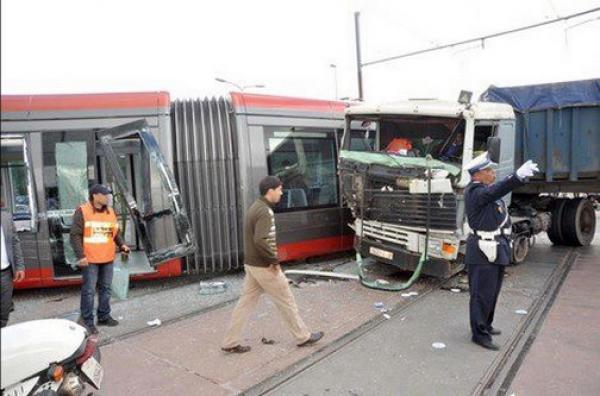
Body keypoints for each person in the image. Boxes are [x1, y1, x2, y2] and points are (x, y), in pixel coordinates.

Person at [222, 176, 323, 353]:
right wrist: (273, 261)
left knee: (245, 303)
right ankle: (302, 336)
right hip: (264, 266)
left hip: (252, 265)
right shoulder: (264, 212)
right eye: (279, 189)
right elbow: (261, 240)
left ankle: (230, 341)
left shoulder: (255, 207)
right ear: (270, 191)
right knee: (286, 299)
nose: (282, 193)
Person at [464, 153, 539, 350]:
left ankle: (486, 325)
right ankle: (479, 334)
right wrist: (516, 177)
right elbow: (498, 190)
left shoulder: (487, 192)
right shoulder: (476, 192)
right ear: (477, 175)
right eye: (488, 170)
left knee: (492, 292)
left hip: (496, 248)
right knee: (481, 294)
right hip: (482, 250)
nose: (492, 173)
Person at [70, 184, 129, 335]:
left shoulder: (110, 212)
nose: (108, 197)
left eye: (108, 194)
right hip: (90, 259)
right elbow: (75, 235)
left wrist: (122, 245)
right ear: (95, 196)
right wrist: (80, 256)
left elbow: (115, 233)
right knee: (89, 291)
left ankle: (103, 316)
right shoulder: (82, 211)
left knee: (106, 288)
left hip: (107, 257)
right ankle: (87, 321)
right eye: (105, 194)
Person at [1, 203, 25, 327]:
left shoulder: (6, 217)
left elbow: (15, 242)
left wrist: (20, 266)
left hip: (5, 273)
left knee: (4, 311)